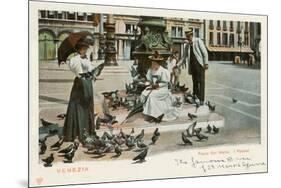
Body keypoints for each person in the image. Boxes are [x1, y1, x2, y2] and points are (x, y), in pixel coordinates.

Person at [63, 39, 95, 142]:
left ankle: (87, 129)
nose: (85, 50)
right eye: (83, 49)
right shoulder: (74, 59)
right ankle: (76, 132)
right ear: (78, 49)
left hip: (88, 82)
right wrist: (80, 61)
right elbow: (77, 72)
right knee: (78, 107)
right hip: (80, 83)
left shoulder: (85, 59)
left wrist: (91, 75)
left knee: (87, 106)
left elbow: (90, 69)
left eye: (85, 48)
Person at [140, 51, 180, 122]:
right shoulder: (150, 70)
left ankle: (155, 115)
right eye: (152, 62)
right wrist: (146, 83)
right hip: (153, 88)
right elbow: (149, 80)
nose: (153, 64)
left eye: (154, 63)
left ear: (158, 63)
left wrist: (158, 85)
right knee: (144, 94)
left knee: (152, 96)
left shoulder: (163, 71)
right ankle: (149, 114)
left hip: (162, 89)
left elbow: (165, 83)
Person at [178, 29, 209, 105]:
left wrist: (206, 63)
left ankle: (201, 99)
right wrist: (177, 65)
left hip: (199, 65)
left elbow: (204, 52)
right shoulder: (187, 45)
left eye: (188, 37)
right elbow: (184, 57)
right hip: (192, 66)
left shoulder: (198, 41)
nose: (188, 38)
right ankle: (196, 97)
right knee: (195, 82)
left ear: (192, 35)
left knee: (201, 82)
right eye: (187, 37)